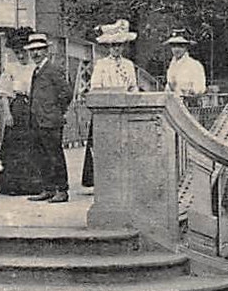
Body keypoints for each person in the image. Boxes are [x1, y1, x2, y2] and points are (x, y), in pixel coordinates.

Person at [81, 19, 141, 191]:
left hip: (125, 111)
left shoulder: (129, 65)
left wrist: (133, 95)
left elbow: (133, 86)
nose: (116, 48)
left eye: (120, 45)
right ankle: (104, 182)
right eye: (113, 45)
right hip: (106, 112)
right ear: (108, 47)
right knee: (104, 149)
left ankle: (124, 180)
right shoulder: (101, 65)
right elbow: (95, 87)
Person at [24, 32, 74, 203]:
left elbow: (66, 93)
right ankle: (48, 188)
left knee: (55, 155)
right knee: (41, 155)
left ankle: (62, 190)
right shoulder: (37, 70)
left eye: (39, 50)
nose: (35, 54)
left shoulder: (53, 70)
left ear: (46, 51)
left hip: (51, 120)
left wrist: (56, 110)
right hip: (37, 120)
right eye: (32, 51)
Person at [0, 29, 41, 195]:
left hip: (34, 106)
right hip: (18, 107)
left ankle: (34, 185)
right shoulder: (11, 68)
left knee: (34, 144)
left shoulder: (35, 67)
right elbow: (4, 94)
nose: (21, 56)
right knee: (15, 147)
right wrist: (7, 113)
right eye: (17, 53)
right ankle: (13, 186)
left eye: (23, 53)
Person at [164, 30, 207, 100]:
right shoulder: (171, 66)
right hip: (172, 104)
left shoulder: (195, 65)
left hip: (189, 105)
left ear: (186, 47)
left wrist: (189, 92)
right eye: (174, 46)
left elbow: (199, 89)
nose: (177, 49)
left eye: (181, 46)